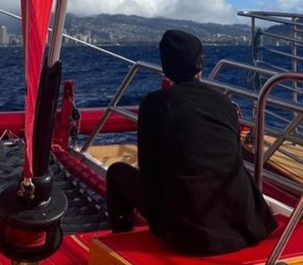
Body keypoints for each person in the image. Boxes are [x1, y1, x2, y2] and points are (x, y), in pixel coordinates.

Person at [106, 30, 277, 256]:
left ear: (166, 66)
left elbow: (149, 170)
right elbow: (233, 157)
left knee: (116, 172)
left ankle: (122, 241)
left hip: (190, 235)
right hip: (246, 225)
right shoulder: (224, 102)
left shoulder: (154, 104)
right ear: (200, 63)